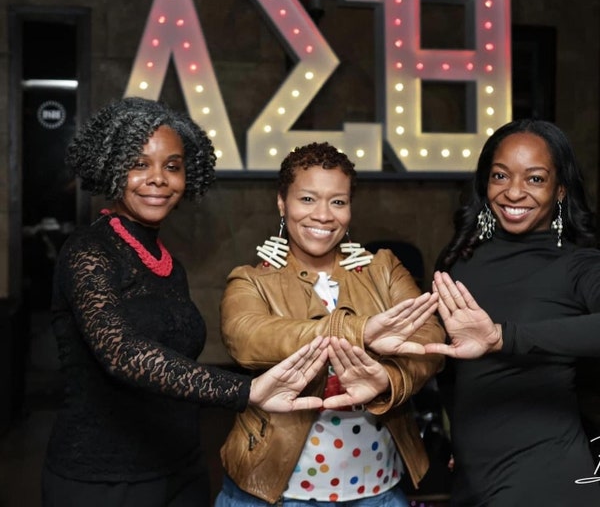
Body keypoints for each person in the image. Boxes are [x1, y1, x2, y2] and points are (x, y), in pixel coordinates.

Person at [42, 97, 356, 507]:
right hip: (103, 480)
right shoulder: (87, 251)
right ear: (111, 167)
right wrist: (247, 391)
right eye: (139, 164)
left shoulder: (169, 264)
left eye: (172, 166)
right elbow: (122, 354)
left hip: (182, 469)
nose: (158, 179)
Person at [215, 142, 445, 506]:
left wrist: (387, 380)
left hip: (376, 490)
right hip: (275, 493)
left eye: (338, 201)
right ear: (281, 202)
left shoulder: (383, 268)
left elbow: (430, 337)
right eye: (307, 199)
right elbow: (247, 336)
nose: (323, 215)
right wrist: (360, 331)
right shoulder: (251, 280)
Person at [424, 119, 600, 505]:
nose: (514, 192)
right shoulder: (460, 260)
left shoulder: (579, 265)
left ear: (560, 190)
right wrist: (461, 438)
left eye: (535, 179)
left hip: (546, 474)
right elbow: (451, 369)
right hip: (473, 477)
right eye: (500, 176)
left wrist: (504, 337)